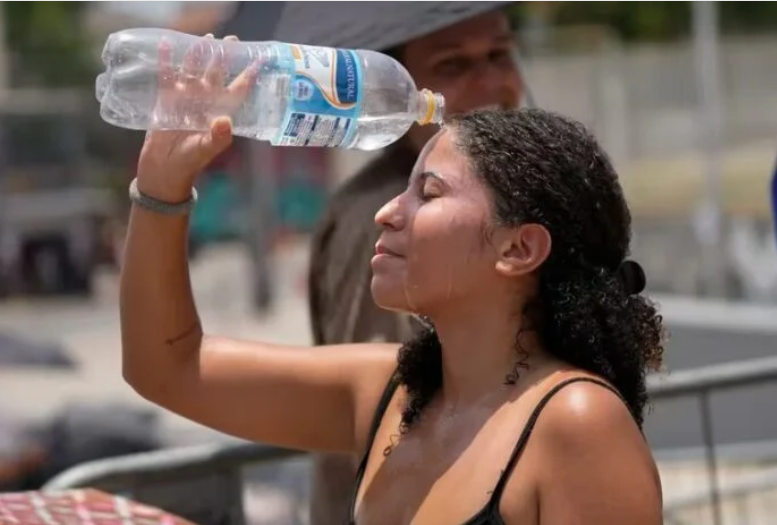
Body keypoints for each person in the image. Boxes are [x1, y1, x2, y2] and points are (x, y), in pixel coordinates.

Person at [120, 37, 665, 523]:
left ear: (518, 248)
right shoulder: (388, 392)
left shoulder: (577, 423)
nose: (387, 211)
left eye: (426, 193)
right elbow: (166, 367)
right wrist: (161, 187)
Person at [306, 11, 526, 521]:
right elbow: (386, 415)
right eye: (453, 65)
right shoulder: (384, 222)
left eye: (499, 54)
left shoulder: (503, 195)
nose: (491, 82)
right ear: (395, 90)